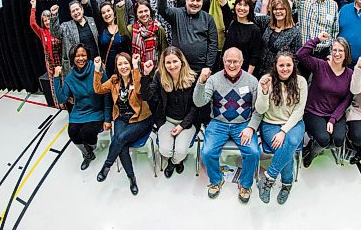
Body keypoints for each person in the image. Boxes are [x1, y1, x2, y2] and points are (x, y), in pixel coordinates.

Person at [193, 48, 261, 203]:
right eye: (228, 61)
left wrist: (251, 128)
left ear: (242, 62)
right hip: (218, 123)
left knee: (253, 152)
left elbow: (259, 110)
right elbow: (199, 102)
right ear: (223, 61)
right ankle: (216, 180)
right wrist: (201, 82)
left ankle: (245, 184)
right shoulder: (213, 80)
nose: (232, 65)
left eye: (235, 61)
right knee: (208, 152)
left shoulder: (252, 81)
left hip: (243, 124)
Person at [93, 53, 154, 195]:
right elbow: (98, 89)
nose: (123, 67)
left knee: (118, 139)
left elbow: (140, 90)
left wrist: (135, 66)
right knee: (123, 146)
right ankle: (131, 178)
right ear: (117, 67)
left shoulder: (136, 76)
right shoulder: (114, 80)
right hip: (121, 118)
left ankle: (106, 167)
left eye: (125, 63)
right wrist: (97, 70)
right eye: (120, 64)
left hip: (140, 119)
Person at [255, 51, 307, 204]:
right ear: (275, 66)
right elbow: (260, 109)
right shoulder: (266, 81)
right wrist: (264, 92)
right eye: (281, 65)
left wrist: (284, 131)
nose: (285, 68)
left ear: (293, 66)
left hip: (294, 123)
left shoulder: (301, 82)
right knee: (285, 149)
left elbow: (299, 110)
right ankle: (286, 184)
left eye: (288, 65)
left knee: (290, 143)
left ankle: (268, 179)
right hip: (270, 124)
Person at [297, 33, 353, 167]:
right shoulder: (320, 65)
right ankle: (311, 153)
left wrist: (333, 119)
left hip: (334, 113)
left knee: (338, 140)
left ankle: (312, 146)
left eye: (341, 50)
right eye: (335, 50)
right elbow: (301, 55)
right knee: (323, 139)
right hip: (314, 111)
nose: (337, 53)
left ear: (346, 54)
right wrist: (317, 40)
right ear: (331, 51)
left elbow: (347, 100)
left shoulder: (350, 74)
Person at [53, 43, 110, 170]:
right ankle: (87, 154)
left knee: (87, 132)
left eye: (83, 55)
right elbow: (62, 99)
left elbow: (107, 93)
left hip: (97, 111)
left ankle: (91, 148)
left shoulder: (97, 70)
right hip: (79, 112)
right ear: (73, 59)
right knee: (72, 132)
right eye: (77, 56)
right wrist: (56, 78)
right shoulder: (70, 78)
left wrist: (107, 118)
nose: (81, 58)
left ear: (88, 56)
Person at [146, 47, 198, 178]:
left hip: (187, 122)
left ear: (181, 61)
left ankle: (175, 162)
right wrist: (146, 75)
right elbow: (148, 96)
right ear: (163, 64)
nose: (172, 65)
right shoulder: (159, 76)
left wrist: (182, 126)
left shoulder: (193, 78)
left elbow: (196, 107)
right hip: (167, 120)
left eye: (175, 61)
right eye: (168, 62)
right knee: (165, 151)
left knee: (180, 151)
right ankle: (172, 159)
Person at [158, 0, 218, 74]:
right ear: (186, 0)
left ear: (202, 1)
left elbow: (213, 45)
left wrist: (208, 66)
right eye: (192, 0)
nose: (195, 3)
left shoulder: (208, 18)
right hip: (179, 67)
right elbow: (163, 10)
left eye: (198, 0)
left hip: (200, 69)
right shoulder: (176, 14)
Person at [220, 0, 261, 74]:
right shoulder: (230, 21)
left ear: (250, 8)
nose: (241, 8)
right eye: (239, 4)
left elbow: (254, 56)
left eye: (245, 5)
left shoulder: (255, 30)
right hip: (225, 69)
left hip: (243, 72)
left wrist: (247, 77)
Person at [50, 0, 99, 78]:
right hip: (77, 67)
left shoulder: (91, 21)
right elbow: (55, 33)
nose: (76, 13)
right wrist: (54, 16)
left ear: (82, 9)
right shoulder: (66, 26)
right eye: (73, 11)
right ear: (70, 14)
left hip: (94, 64)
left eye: (77, 9)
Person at [254, 0, 302, 78]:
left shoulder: (295, 33)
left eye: (281, 9)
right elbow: (250, 16)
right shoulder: (267, 22)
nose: (278, 11)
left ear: (287, 10)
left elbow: (295, 59)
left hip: (278, 75)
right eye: (275, 9)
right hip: (258, 70)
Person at [29, 0, 62, 106]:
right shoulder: (42, 32)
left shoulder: (57, 28)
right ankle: (58, 104)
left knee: (65, 81)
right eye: (45, 20)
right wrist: (33, 7)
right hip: (50, 62)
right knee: (53, 83)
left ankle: (69, 102)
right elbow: (33, 23)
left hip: (61, 59)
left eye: (49, 19)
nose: (47, 22)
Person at [117, 0, 166, 68]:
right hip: (137, 67)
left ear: (150, 12)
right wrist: (120, 10)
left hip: (156, 68)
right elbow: (122, 32)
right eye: (140, 12)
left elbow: (164, 50)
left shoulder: (158, 29)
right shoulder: (132, 29)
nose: (144, 14)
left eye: (146, 11)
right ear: (136, 15)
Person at [95, 1, 129, 78]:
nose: (106, 14)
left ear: (113, 11)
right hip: (107, 68)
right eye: (103, 13)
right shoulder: (101, 30)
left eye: (108, 10)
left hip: (122, 66)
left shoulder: (121, 27)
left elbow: (127, 46)